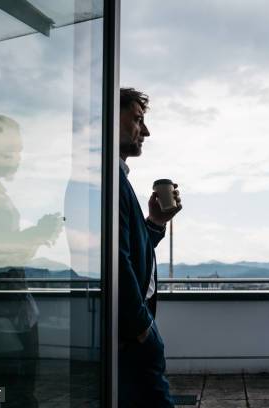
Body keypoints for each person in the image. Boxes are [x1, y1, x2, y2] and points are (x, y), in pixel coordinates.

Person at [118, 87, 181, 407]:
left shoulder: (114, 178)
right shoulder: (107, 180)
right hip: (132, 331)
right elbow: (116, 259)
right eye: (138, 120)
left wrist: (155, 222)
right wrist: (140, 326)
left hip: (131, 329)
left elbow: (131, 248)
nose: (145, 131)